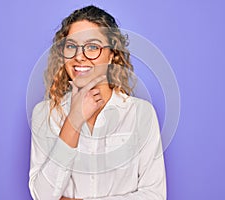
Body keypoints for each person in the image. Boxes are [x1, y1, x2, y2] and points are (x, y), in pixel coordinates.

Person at [29, 5, 166, 200]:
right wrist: (73, 121)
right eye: (71, 46)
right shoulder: (44, 114)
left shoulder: (141, 113)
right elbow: (43, 196)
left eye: (92, 46)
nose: (79, 56)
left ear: (111, 55)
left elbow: (154, 195)